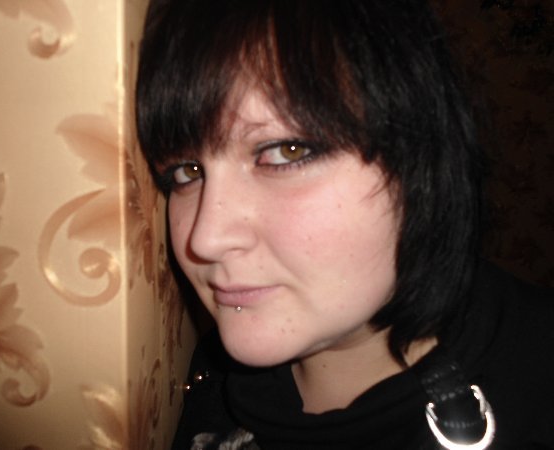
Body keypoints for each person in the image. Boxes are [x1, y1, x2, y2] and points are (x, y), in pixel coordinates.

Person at [135, 1, 554, 449]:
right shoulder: (208, 379)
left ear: (421, 161)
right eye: (186, 172)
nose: (206, 239)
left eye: (285, 152)